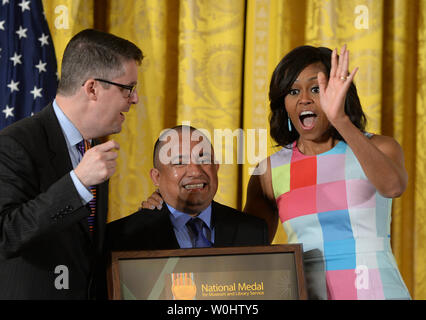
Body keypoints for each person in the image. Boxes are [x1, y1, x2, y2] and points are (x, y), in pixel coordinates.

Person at [243, 45, 411, 299]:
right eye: (293, 91)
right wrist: (167, 209)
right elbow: (246, 249)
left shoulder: (379, 147)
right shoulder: (268, 171)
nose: (304, 99)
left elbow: (393, 187)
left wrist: (340, 119)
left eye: (316, 89)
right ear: (283, 104)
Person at [0, 29, 143, 299]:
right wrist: (77, 183)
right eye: (128, 88)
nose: (134, 99)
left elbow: (84, 247)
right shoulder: (14, 144)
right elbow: (6, 235)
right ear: (92, 88)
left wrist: (149, 217)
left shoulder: (92, 147)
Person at [107, 125, 268, 251]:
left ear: (216, 167)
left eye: (204, 159)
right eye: (179, 162)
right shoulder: (123, 236)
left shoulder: (252, 231)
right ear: (156, 177)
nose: (195, 171)